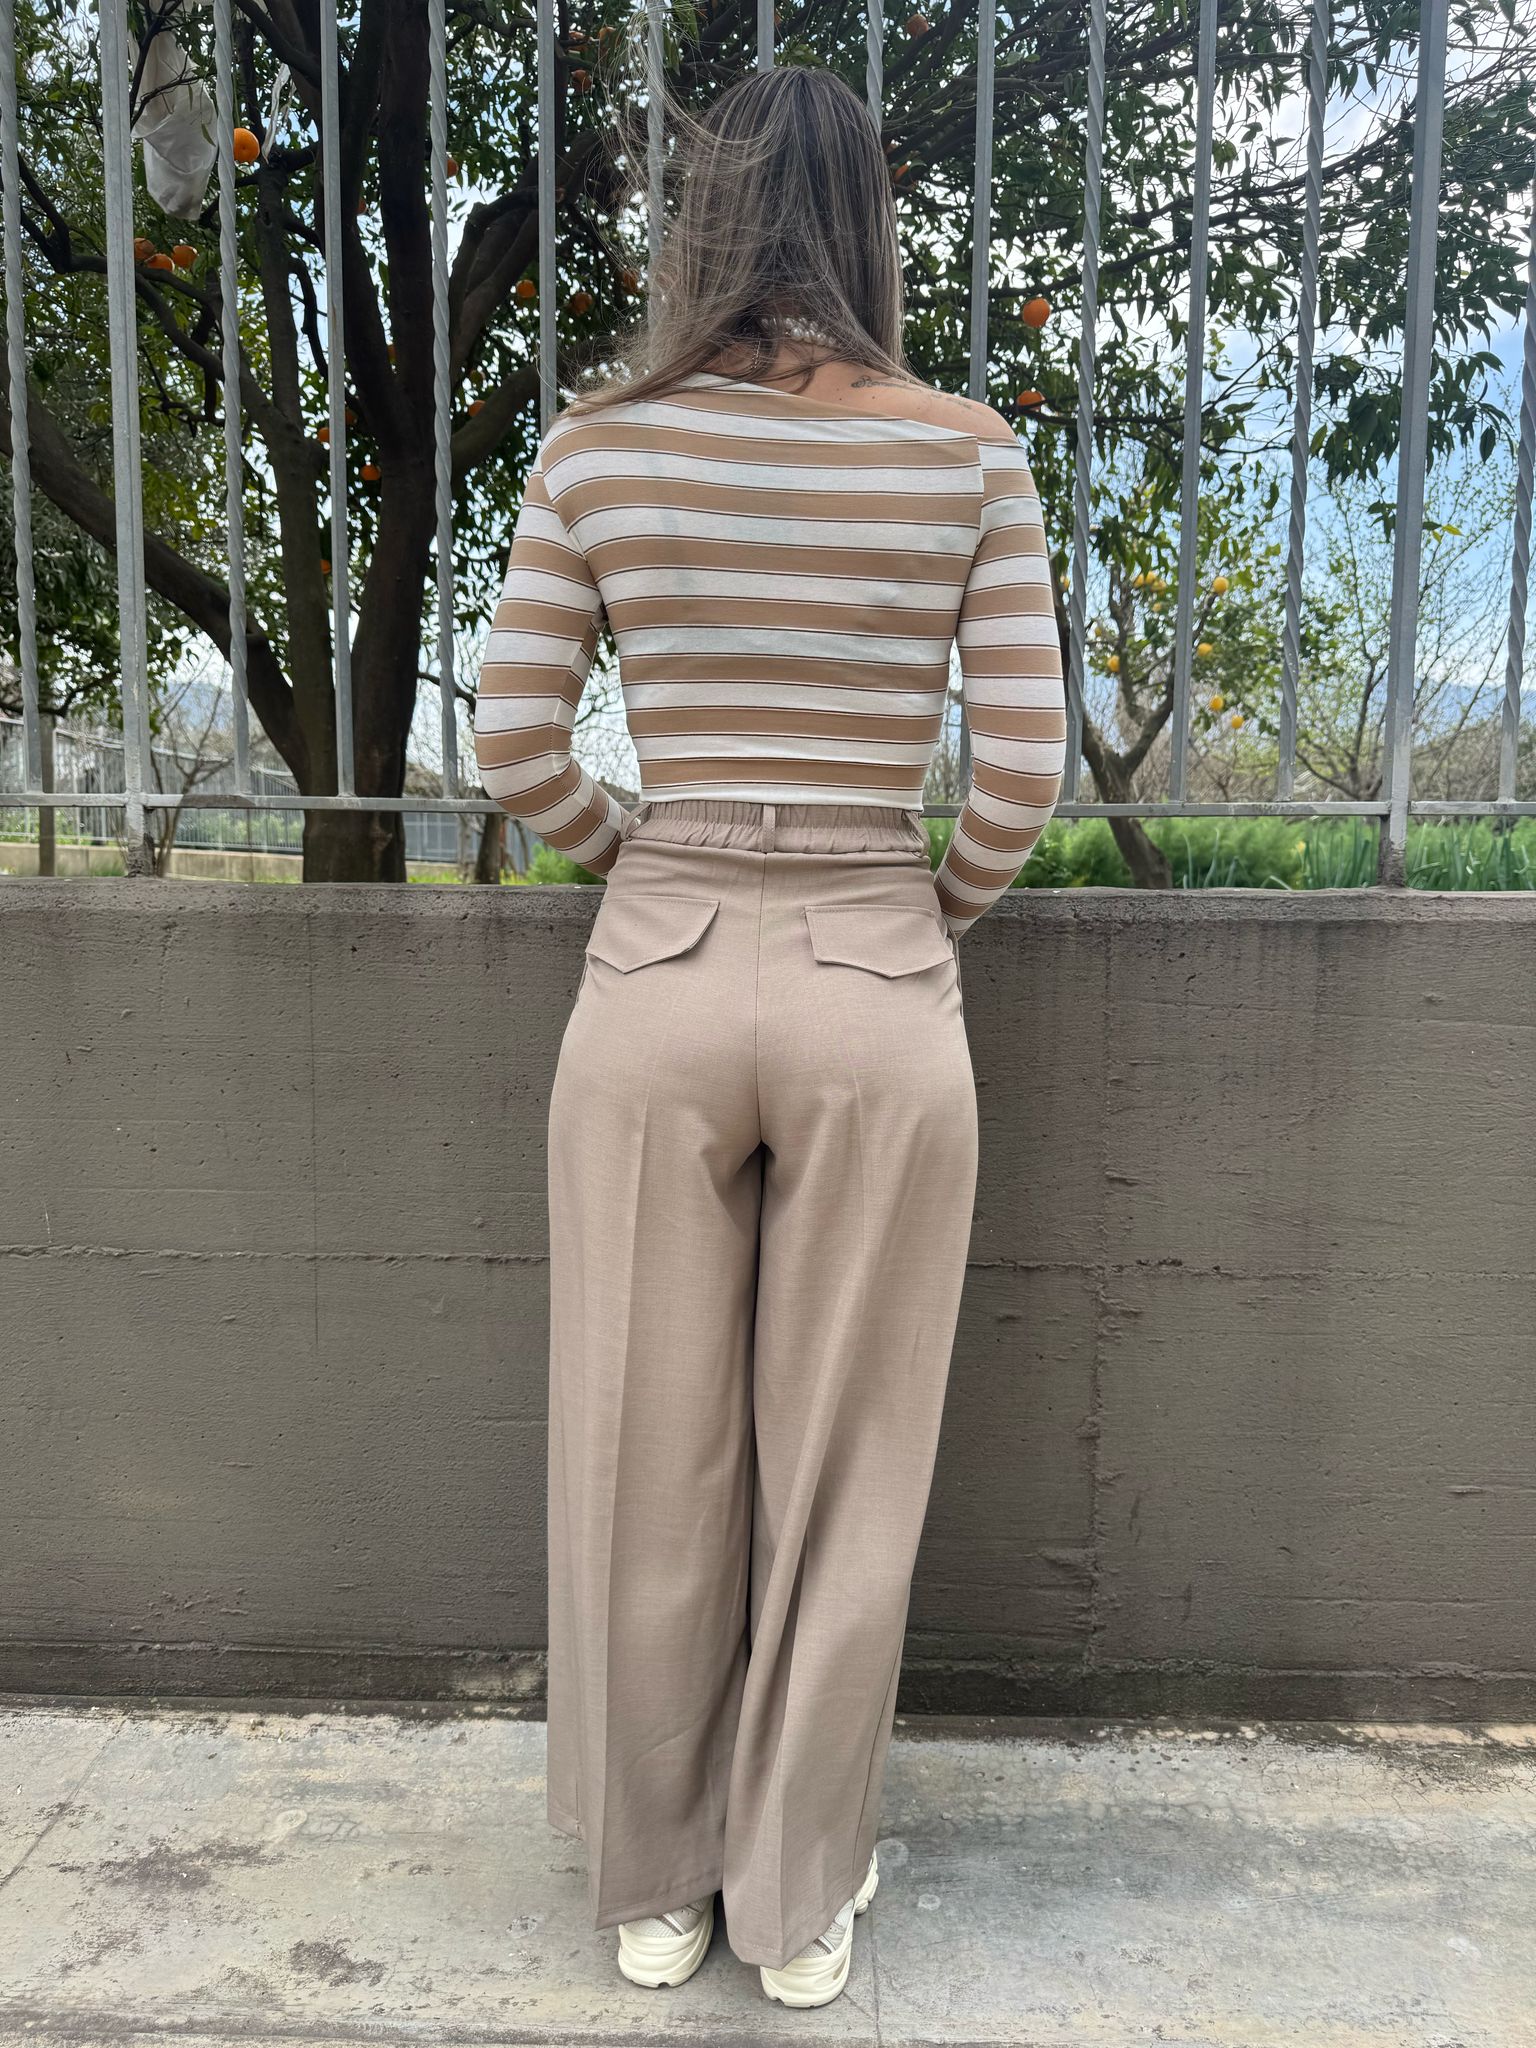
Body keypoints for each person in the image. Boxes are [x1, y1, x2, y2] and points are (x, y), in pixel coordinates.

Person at [473, 59, 1066, 2010]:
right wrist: (911, 914)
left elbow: (512, 741)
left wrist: (640, 857)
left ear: (702, 220)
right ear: (874, 222)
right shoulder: (968, 454)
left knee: (641, 1449)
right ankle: (794, 1900)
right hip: (875, 975)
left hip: (656, 963)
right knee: (846, 1464)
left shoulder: (601, 445)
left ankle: (654, 1885)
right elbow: (1019, 779)